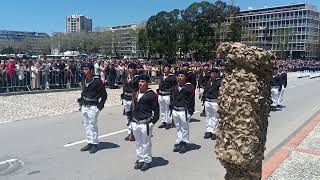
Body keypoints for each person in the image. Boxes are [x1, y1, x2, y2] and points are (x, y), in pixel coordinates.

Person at [130, 74, 159, 171]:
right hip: (135, 122)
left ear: (147, 83)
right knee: (138, 143)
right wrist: (131, 119)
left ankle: (147, 160)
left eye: (143, 82)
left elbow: (157, 111)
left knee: (146, 143)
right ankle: (140, 159)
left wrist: (152, 122)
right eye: (139, 82)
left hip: (145, 123)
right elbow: (132, 107)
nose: (140, 84)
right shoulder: (136, 93)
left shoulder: (152, 95)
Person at [78, 63, 107, 154]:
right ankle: (89, 142)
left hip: (93, 106)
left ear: (91, 70)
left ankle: (95, 143)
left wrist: (99, 108)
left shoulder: (97, 81)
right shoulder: (84, 79)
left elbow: (104, 96)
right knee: (86, 125)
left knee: (93, 125)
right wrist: (81, 104)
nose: (84, 71)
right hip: (85, 105)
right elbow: (83, 92)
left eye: (86, 69)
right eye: (84, 69)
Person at [170, 70, 195, 154]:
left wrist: (190, 111)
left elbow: (192, 100)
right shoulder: (175, 87)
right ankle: (179, 141)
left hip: (184, 110)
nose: (180, 78)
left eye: (182, 76)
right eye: (179, 76)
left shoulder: (189, 87)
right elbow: (172, 99)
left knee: (184, 128)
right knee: (178, 127)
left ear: (185, 78)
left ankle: (184, 143)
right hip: (176, 110)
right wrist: (172, 109)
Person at [202, 68, 222, 140]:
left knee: (215, 117)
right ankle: (209, 130)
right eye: (211, 73)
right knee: (208, 116)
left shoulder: (219, 82)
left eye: (213, 73)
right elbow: (205, 90)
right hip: (208, 101)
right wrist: (203, 99)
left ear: (217, 74)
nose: (212, 74)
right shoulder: (209, 81)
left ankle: (214, 131)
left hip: (214, 101)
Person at [121, 63, 139, 141]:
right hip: (126, 98)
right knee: (128, 117)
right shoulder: (125, 77)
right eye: (129, 68)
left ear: (135, 70)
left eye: (132, 68)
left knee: (133, 116)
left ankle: (133, 133)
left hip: (133, 98)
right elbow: (124, 87)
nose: (130, 70)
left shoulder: (137, 78)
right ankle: (129, 133)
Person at [157, 64, 177, 129]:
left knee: (168, 109)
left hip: (168, 95)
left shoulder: (172, 77)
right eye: (164, 67)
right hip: (161, 94)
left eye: (167, 68)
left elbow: (175, 87)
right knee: (162, 109)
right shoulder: (162, 76)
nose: (165, 69)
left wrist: (173, 94)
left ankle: (169, 122)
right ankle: (164, 121)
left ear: (169, 69)